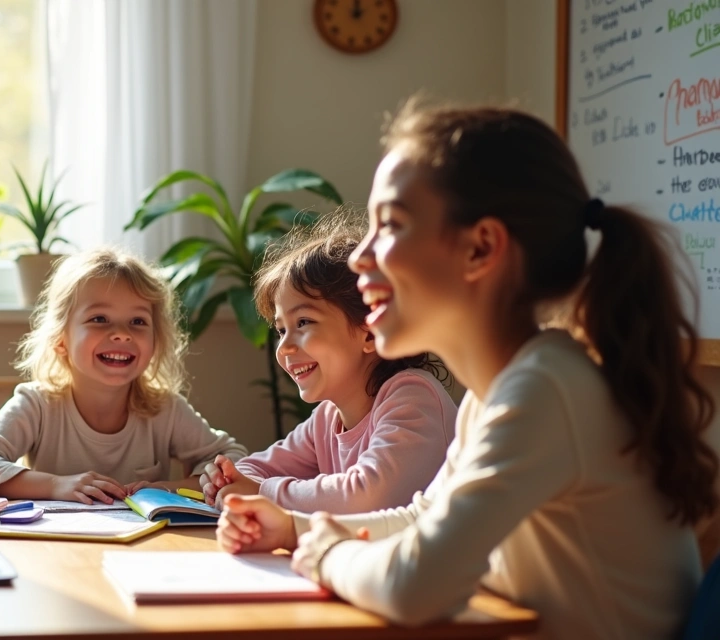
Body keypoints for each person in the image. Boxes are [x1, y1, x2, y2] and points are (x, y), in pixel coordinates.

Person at [218, 102, 719, 639]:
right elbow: (424, 519)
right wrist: (296, 528)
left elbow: (416, 585)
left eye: (390, 225)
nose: (362, 256)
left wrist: (327, 555)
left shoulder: (545, 389)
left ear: (481, 248)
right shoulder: (502, 390)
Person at [200, 213, 455, 513]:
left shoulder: (413, 397)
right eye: (282, 330)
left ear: (370, 333)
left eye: (304, 321)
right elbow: (253, 470)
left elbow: (368, 495)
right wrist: (226, 480)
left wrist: (262, 492)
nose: (284, 346)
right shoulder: (327, 419)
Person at [0, 248, 247, 503]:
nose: (121, 334)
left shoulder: (165, 409)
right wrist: (56, 485)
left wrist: (167, 490)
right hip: (56, 553)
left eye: (138, 321)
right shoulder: (37, 405)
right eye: (99, 319)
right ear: (61, 339)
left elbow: (235, 462)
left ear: (156, 342)